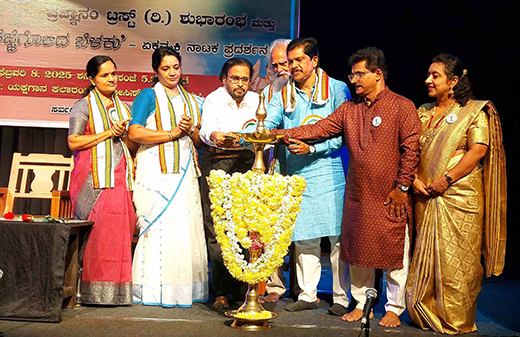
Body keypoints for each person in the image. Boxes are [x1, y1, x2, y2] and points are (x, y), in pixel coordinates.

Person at [271, 47, 421, 327]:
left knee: (395, 253)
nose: (353, 80)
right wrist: (276, 134)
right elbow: (319, 129)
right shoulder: (350, 110)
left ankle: (393, 307)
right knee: (358, 252)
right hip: (358, 194)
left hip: (391, 194)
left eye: (360, 74)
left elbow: (411, 150)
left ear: (378, 74)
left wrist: (401, 187)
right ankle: (363, 304)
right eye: (352, 74)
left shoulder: (402, 105)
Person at [406, 53, 507, 334]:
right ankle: (426, 310)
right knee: (426, 257)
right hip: (425, 195)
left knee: (459, 262)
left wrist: (446, 179)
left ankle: (457, 319)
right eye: (428, 74)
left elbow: (478, 150)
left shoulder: (474, 111)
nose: (427, 80)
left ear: (452, 81)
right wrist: (413, 179)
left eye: (435, 75)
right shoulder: (423, 111)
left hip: (460, 197)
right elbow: (410, 150)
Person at [252, 37, 351, 315]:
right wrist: (251, 132)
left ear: (314, 61)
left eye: (298, 60)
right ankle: (308, 294)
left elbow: (344, 133)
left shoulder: (337, 89)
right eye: (290, 61)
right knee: (304, 236)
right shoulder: (283, 93)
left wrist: (314, 146)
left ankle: (341, 297)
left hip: (330, 170)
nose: (293, 66)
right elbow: (268, 123)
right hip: (296, 172)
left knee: (336, 238)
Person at [128, 47, 208, 307]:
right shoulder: (147, 96)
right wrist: (172, 134)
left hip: (184, 171)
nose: (172, 73)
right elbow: (134, 134)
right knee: (159, 228)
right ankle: (152, 290)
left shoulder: (190, 99)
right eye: (166, 68)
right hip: (155, 171)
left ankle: (181, 291)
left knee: (184, 228)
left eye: (176, 67)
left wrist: (190, 131)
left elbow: (198, 139)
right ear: (155, 71)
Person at [68, 55, 138, 305]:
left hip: (120, 180)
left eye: (114, 74)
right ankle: (89, 293)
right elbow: (73, 141)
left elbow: (130, 145)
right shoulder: (83, 106)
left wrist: (126, 135)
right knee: (98, 234)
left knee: (119, 234)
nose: (111, 79)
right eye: (105, 75)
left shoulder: (124, 107)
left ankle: (117, 294)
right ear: (92, 79)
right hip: (94, 180)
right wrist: (109, 132)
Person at [199, 57, 259, 309]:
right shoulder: (213, 99)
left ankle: (243, 290)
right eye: (234, 78)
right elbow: (206, 130)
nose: (240, 84)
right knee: (218, 231)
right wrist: (215, 136)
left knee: (244, 229)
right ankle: (220, 292)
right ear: (224, 79)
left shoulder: (256, 101)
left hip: (247, 165)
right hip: (218, 164)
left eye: (245, 79)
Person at [259, 38, 291, 304]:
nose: (281, 69)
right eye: (275, 65)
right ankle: (275, 284)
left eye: (286, 63)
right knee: (273, 229)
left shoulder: (314, 90)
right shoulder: (266, 95)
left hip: (306, 166)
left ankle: (307, 289)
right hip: (273, 167)